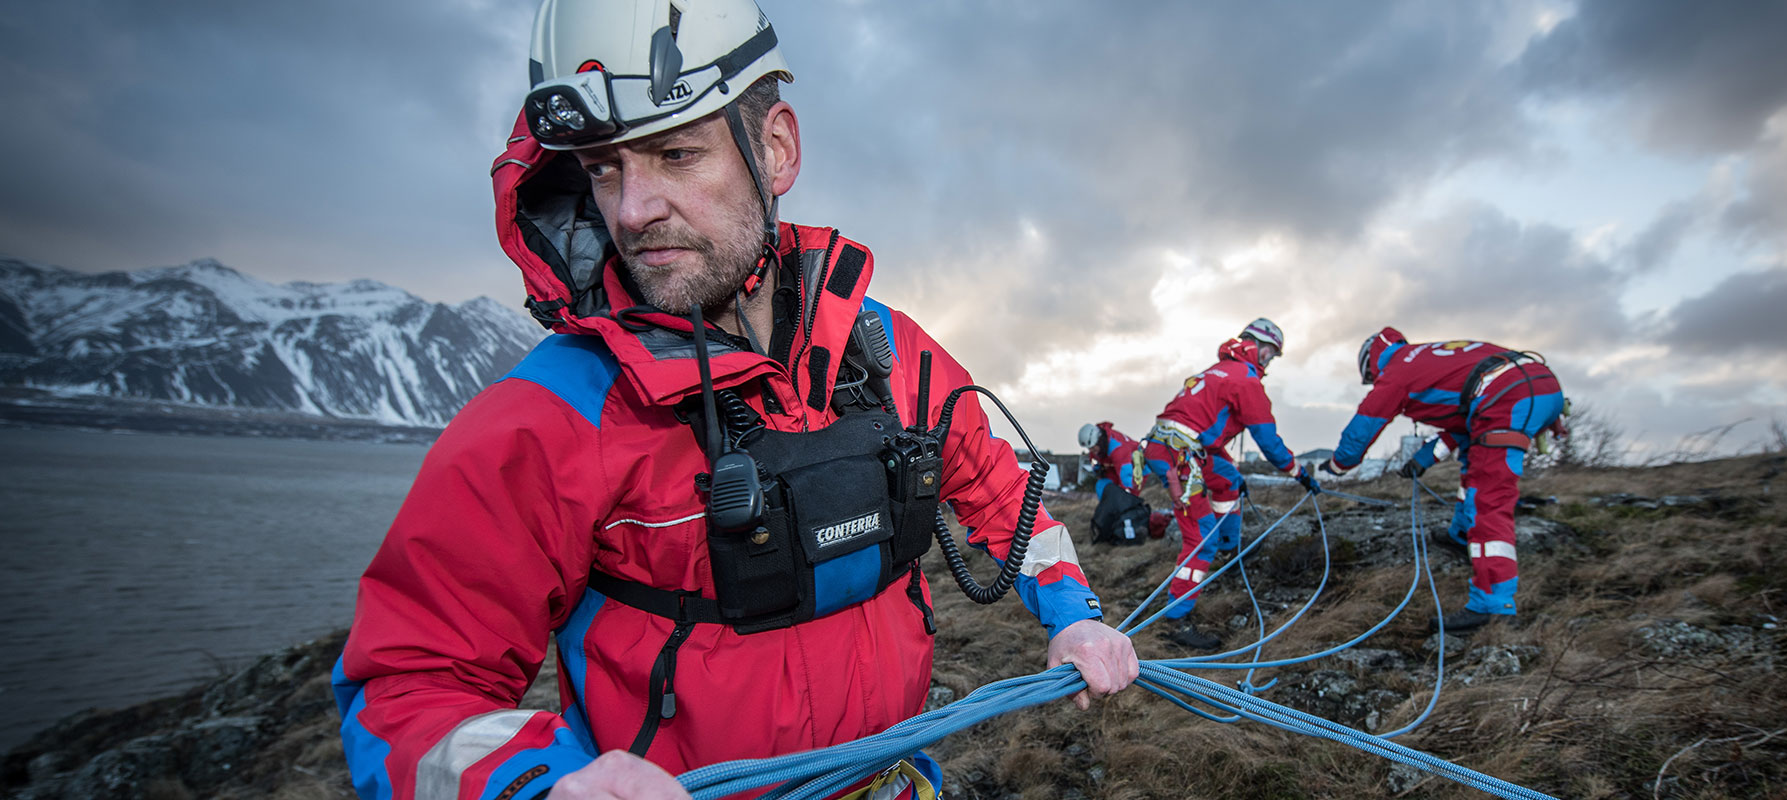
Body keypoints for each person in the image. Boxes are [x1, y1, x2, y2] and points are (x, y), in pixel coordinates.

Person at [331, 3, 1138, 798]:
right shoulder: (552, 417)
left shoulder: (886, 350)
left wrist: (1074, 612)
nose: (633, 209)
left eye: (675, 154)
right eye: (604, 168)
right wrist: (544, 782)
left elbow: (1004, 496)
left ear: (776, 148)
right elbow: (404, 687)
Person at [1320, 328, 1565, 633]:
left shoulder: (1397, 371)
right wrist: (1423, 459)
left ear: (1372, 363)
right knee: (1474, 469)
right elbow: (1461, 426)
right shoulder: (1427, 357)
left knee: (1488, 500)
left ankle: (1492, 605)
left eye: (1371, 377)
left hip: (1508, 397)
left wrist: (1337, 465)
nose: (1374, 382)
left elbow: (1366, 422)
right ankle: (1462, 536)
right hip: (1538, 386)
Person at [1142, 318, 1317, 650]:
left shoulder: (1216, 370)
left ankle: (1230, 547)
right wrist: (1299, 473)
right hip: (1181, 457)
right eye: (1271, 356)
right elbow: (1268, 440)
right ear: (1262, 349)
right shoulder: (1246, 380)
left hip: (1176, 447)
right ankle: (1177, 617)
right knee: (1200, 538)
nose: (1269, 363)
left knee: (1228, 480)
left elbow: (1201, 429)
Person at [1079, 422, 1168, 545]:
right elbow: (1096, 463)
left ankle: (1129, 525)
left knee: (1127, 500)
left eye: (1094, 448)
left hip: (1136, 470)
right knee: (1102, 486)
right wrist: (1098, 469)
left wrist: (1127, 496)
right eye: (1090, 449)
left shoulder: (1118, 448)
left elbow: (1127, 477)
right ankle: (1111, 519)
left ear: (1099, 440)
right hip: (1113, 469)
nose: (1092, 451)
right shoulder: (1097, 448)